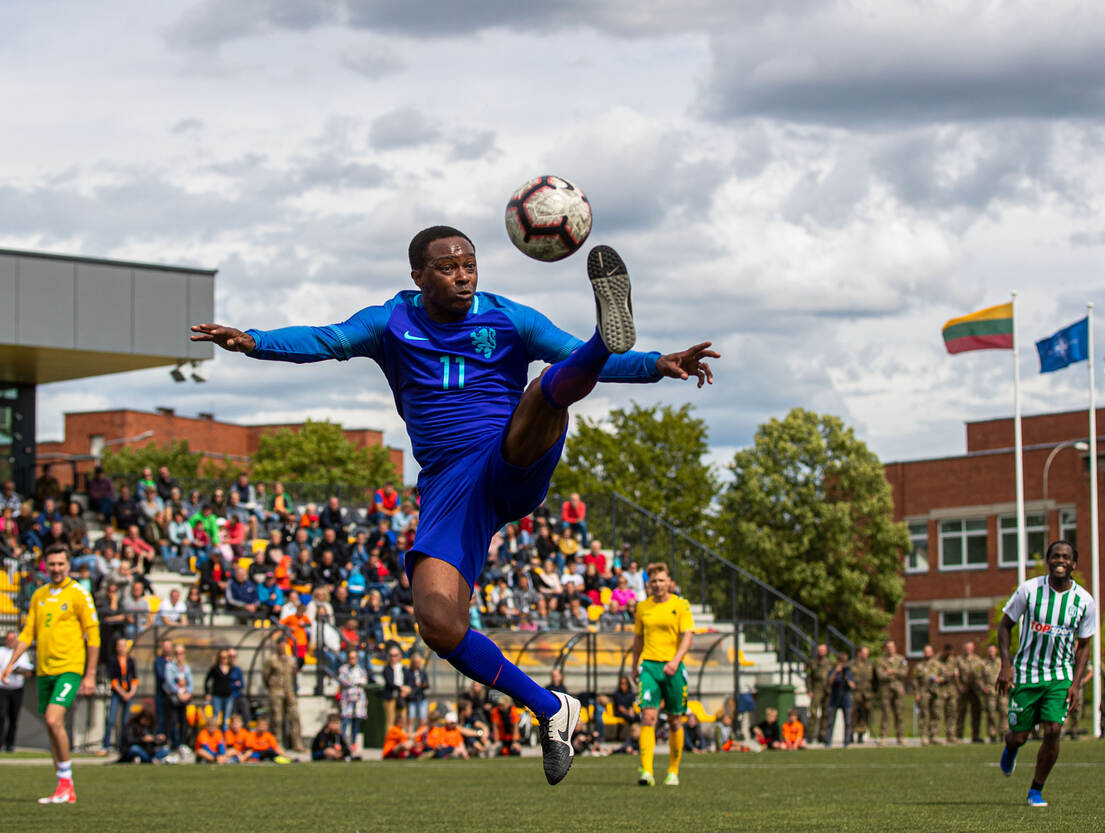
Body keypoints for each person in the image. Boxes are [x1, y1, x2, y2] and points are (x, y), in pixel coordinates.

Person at [191, 229, 717, 786]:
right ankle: (551, 709)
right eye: (447, 268)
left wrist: (656, 363)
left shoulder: (509, 318)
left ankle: (602, 336)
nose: (462, 276)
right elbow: (327, 338)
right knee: (438, 624)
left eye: (470, 265)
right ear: (418, 276)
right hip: (448, 486)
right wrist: (253, 340)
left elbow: (574, 359)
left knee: (547, 387)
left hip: (508, 454)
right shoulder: (390, 321)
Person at [996, 540, 1096, 808]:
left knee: (1053, 730)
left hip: (1059, 676)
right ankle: (1011, 747)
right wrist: (1006, 665)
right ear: (1048, 561)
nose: (1060, 560)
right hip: (1026, 674)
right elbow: (1005, 626)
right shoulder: (1029, 590)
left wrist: (1075, 684)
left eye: (1066, 557)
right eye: (1055, 556)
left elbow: (1085, 645)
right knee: (1019, 736)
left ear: (1074, 564)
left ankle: (1036, 790)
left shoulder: (1085, 601)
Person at [0, 545, 99, 804]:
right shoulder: (39, 595)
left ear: (68, 565)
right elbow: (28, 632)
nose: (56, 569)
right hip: (45, 670)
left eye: (60, 564)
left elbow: (93, 635)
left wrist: (90, 674)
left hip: (69, 668)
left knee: (54, 721)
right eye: (52, 564)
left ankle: (66, 783)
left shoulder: (79, 593)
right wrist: (10, 663)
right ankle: (63, 786)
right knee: (51, 726)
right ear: (46, 566)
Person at [630, 562, 695, 787]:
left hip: (673, 667)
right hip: (649, 666)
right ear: (648, 584)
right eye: (653, 581)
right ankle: (647, 771)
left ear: (669, 582)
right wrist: (633, 665)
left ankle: (673, 771)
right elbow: (638, 638)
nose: (657, 585)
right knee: (648, 716)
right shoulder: (642, 607)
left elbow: (688, 635)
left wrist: (675, 661)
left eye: (661, 580)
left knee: (675, 719)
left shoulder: (680, 605)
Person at [101, 637, 138, 756]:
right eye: (119, 646)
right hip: (117, 693)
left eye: (123, 646)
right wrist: (122, 692)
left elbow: (135, 678)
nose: (122, 648)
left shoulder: (131, 661)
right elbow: (113, 680)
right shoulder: (113, 660)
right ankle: (106, 745)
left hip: (128, 693)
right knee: (111, 720)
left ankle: (122, 746)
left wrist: (131, 692)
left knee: (125, 722)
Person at [0, 630, 35, 752]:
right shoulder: (1, 651)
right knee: (1, 715)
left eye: (13, 639)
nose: (11, 642)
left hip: (17, 688)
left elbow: (28, 673)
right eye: (9, 639)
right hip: (2, 688)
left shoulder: (22, 654)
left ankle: (10, 744)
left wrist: (21, 671)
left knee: (13, 717)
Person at [874, 640, 907, 746]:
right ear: (885, 649)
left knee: (899, 714)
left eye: (892, 647)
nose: (890, 649)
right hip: (885, 690)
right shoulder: (880, 661)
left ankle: (900, 737)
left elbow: (904, 673)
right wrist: (894, 675)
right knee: (885, 714)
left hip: (898, 690)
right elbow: (880, 675)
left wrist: (892, 671)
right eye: (888, 647)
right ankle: (883, 737)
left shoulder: (901, 659)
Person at [338, 648, 369, 752]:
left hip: (359, 699)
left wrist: (354, 681)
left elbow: (364, 681)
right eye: (351, 658)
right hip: (347, 699)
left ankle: (353, 744)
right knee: (345, 721)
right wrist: (356, 682)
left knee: (356, 722)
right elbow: (344, 681)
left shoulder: (360, 669)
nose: (352, 660)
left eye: (354, 658)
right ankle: (341, 743)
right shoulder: (343, 669)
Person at [955, 640, 985, 742]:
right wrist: (959, 686)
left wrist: (982, 687)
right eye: (966, 647)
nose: (968, 649)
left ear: (973, 648)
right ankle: (959, 735)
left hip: (975, 691)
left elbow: (982, 675)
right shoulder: (959, 660)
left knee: (976, 713)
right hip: (963, 690)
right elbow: (956, 675)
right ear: (963, 648)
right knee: (960, 713)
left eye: (970, 647)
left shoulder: (978, 660)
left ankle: (975, 735)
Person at [912, 644, 942, 746]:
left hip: (936, 692)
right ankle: (924, 736)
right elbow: (915, 680)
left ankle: (934, 736)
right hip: (923, 692)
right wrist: (917, 693)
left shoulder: (938, 665)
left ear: (932, 652)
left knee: (936, 714)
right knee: (924, 714)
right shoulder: (919, 666)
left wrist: (939, 679)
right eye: (925, 651)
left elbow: (945, 675)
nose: (927, 653)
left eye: (929, 651)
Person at [804, 643, 832, 745]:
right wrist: (809, 690)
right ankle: (810, 735)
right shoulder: (813, 663)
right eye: (820, 650)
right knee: (813, 713)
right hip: (816, 690)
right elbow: (808, 678)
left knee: (826, 713)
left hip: (827, 691)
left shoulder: (830, 663)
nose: (822, 652)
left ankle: (822, 734)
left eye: (823, 650)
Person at [848, 645, 875, 743]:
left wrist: (873, 691)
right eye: (864, 653)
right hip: (854, 693)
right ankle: (850, 733)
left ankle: (861, 733)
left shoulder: (871, 664)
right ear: (859, 653)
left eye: (867, 654)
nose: (866, 655)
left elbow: (875, 679)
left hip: (866, 693)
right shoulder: (851, 664)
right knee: (853, 713)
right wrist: (849, 682)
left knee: (864, 714)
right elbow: (846, 675)